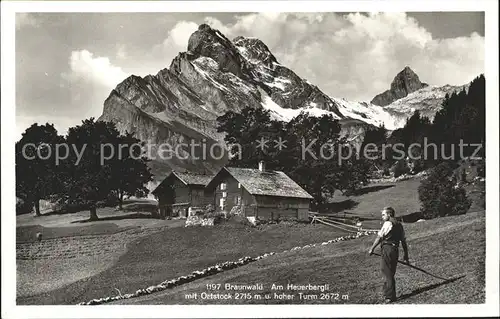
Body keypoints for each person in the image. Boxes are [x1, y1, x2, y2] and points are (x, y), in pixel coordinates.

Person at [368, 206, 409, 303]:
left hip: (387, 249)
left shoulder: (388, 223)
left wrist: (372, 248)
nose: (382, 216)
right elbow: (403, 241)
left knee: (386, 271)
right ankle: (388, 294)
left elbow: (379, 237)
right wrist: (406, 255)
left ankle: (390, 296)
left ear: (389, 214)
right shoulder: (399, 224)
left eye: (383, 214)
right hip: (395, 250)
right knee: (390, 271)